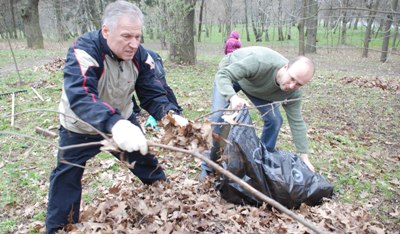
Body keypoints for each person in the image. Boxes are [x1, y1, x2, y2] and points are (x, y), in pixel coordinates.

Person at [45, 1, 188, 233]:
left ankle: (166, 196)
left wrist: (171, 116)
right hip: (79, 126)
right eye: (126, 36)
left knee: (144, 160)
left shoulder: (140, 56)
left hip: (122, 120)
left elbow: (152, 94)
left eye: (138, 37)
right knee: (66, 177)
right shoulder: (84, 51)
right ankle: (59, 228)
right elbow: (81, 95)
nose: (133, 44)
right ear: (106, 31)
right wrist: (114, 124)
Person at [200, 46, 315, 180]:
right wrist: (233, 97)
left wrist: (304, 157)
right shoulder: (260, 62)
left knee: (275, 121)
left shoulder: (293, 93)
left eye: (298, 84)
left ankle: (261, 163)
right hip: (232, 73)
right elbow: (223, 75)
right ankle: (208, 167)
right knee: (217, 118)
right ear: (285, 67)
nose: (291, 86)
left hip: (256, 86)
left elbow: (297, 122)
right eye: (292, 78)